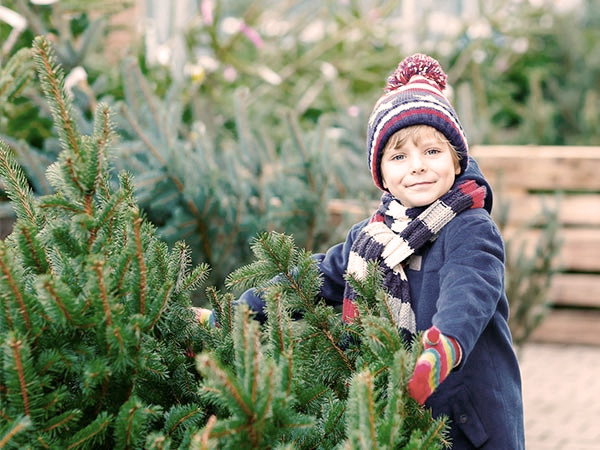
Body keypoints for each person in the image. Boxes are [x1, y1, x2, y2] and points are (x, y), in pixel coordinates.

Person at [214, 53, 524, 449]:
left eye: (432, 151)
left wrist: (442, 347)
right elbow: (311, 276)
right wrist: (237, 313)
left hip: (467, 424)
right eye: (399, 156)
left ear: (456, 158)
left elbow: (470, 291)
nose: (417, 166)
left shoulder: (470, 227)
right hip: (399, 419)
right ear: (381, 173)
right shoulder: (371, 236)